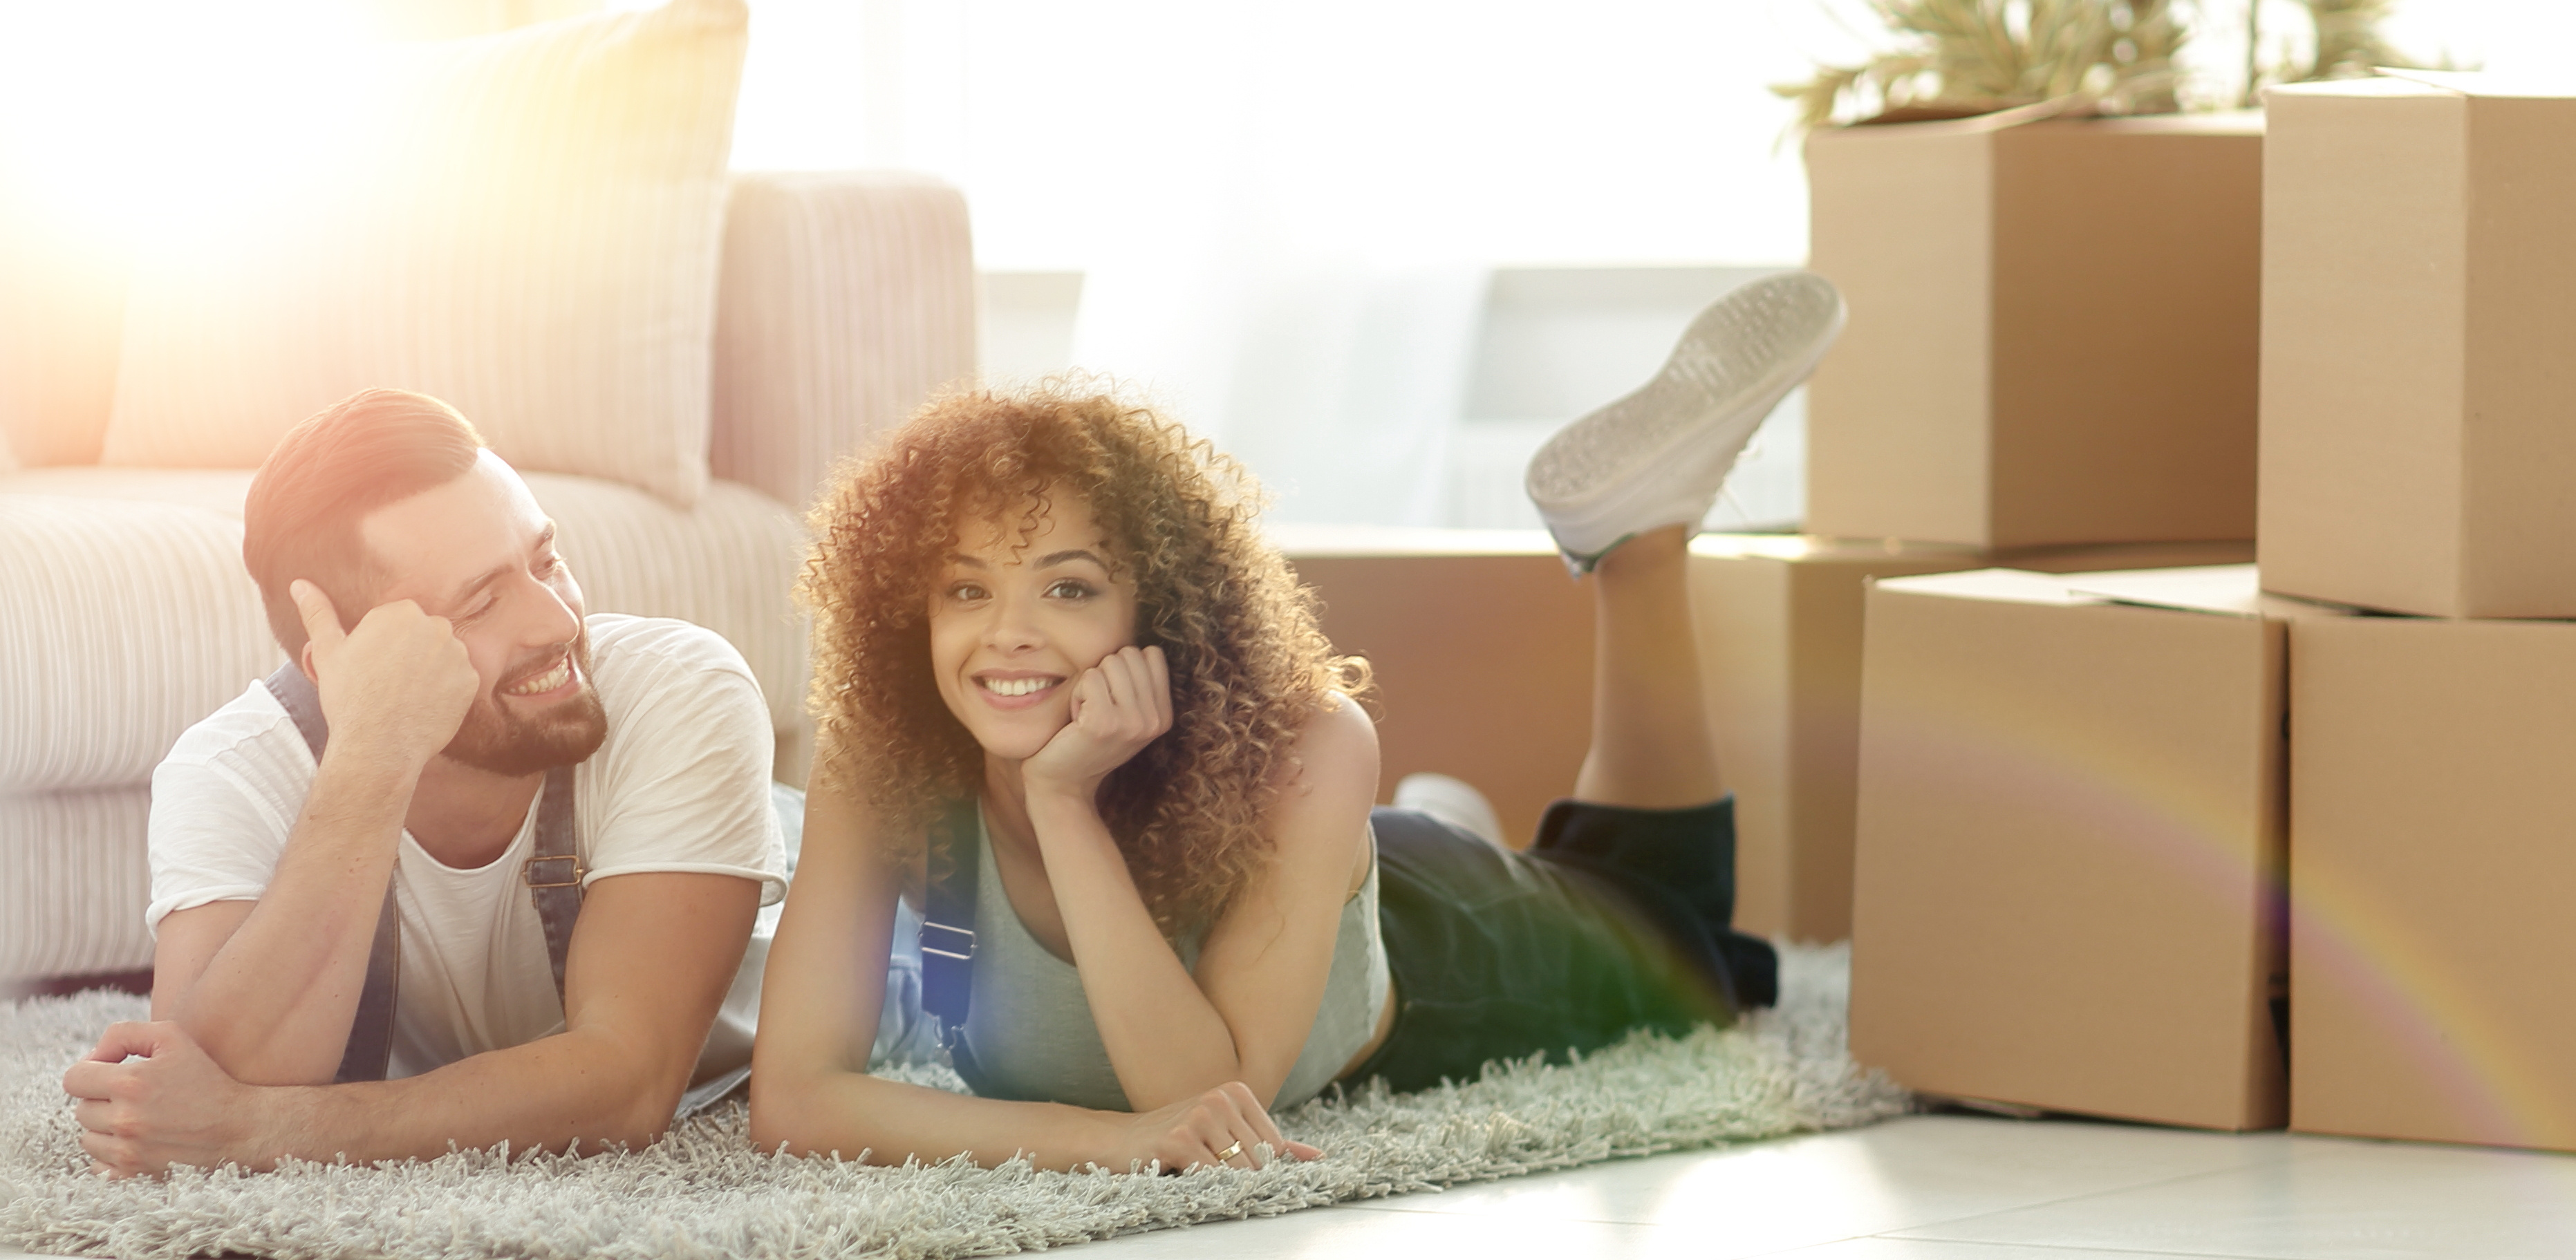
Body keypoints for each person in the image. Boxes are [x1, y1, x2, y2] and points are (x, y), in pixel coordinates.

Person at [750, 271, 1846, 1172]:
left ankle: (1638, 548)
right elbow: (796, 1096)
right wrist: (1107, 1143)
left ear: (1159, 607)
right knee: (1615, 887)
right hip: (1322, 877)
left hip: (1449, 954)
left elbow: (1202, 1101)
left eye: (1069, 587)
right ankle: (1438, 809)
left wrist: (1062, 799)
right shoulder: (887, 746)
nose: (1008, 636)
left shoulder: (1309, 744)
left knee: (1690, 949)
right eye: (965, 589)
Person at [62, 388, 933, 1177]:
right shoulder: (230, 769)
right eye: (480, 603)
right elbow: (206, 1086)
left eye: (545, 559)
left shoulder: (682, 687)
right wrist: (371, 759)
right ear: (343, 663)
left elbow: (626, 1083)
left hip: (900, 971)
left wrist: (268, 1131)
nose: (558, 621)